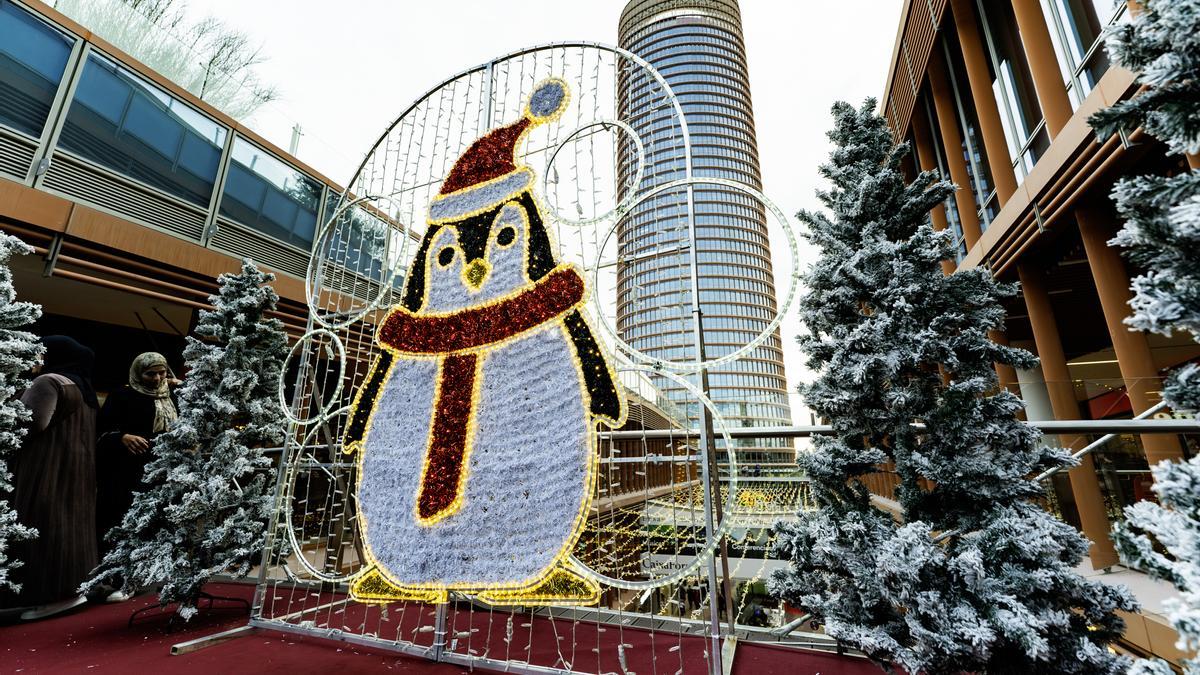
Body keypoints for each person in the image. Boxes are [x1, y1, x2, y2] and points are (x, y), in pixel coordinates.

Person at [1, 336, 99, 620]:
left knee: (36, 524)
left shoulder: (48, 382)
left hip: (44, 468)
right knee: (68, 527)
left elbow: (27, 424)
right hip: (77, 470)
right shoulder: (84, 388)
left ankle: (47, 595)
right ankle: (71, 589)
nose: (34, 361)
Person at [95, 352, 179, 601]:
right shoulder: (122, 395)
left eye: (161, 372)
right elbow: (101, 429)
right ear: (137, 373)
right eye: (150, 373)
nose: (156, 378)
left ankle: (152, 576)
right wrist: (122, 437)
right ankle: (117, 579)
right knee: (122, 522)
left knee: (157, 523)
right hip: (126, 471)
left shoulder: (173, 395)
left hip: (162, 471)